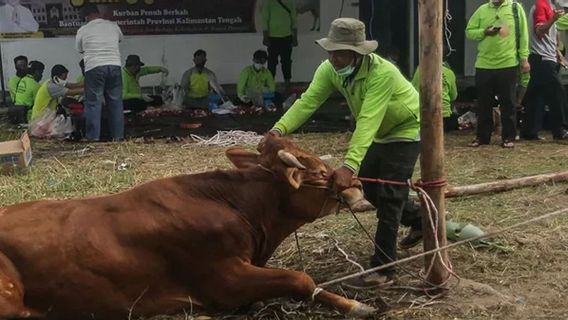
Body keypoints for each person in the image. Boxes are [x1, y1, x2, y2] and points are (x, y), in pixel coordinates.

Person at [268, 18, 422, 287]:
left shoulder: (382, 73)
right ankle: (420, 219)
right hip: (379, 133)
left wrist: (349, 166)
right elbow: (308, 102)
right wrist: (277, 130)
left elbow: (369, 119)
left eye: (340, 53)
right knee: (372, 191)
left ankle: (384, 269)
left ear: (358, 52)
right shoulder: (329, 69)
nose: (334, 58)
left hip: (405, 129)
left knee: (389, 195)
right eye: (331, 51)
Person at [466, 0, 530, 148]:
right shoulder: (482, 9)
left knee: (508, 103)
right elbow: (469, 31)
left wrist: (524, 58)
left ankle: (508, 137)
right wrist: (484, 32)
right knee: (484, 103)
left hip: (508, 62)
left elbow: (523, 35)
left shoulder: (515, 8)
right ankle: (482, 137)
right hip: (484, 63)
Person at [75, 4, 124, 141]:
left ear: (86, 16)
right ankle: (118, 137)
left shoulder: (83, 30)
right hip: (114, 65)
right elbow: (120, 39)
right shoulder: (113, 26)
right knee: (115, 103)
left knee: (93, 103)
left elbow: (80, 49)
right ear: (98, 13)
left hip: (94, 67)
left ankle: (93, 137)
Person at [521, 0, 568, 140]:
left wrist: (558, 53)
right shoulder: (542, 5)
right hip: (542, 57)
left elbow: (551, 36)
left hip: (543, 57)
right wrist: (553, 19)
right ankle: (560, 129)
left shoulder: (550, 6)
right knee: (557, 92)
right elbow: (539, 29)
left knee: (537, 95)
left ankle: (529, 131)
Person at [411, 47, 459, 132]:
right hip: (445, 118)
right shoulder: (450, 73)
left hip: (424, 115)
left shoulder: (420, 69)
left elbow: (413, 89)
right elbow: (453, 96)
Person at [262, 0, 298, 88]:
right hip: (272, 38)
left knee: (286, 62)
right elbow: (265, 20)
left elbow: (294, 21)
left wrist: (295, 38)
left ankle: (287, 83)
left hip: (287, 37)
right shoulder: (269, 3)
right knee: (272, 62)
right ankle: (270, 84)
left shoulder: (290, 2)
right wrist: (265, 37)